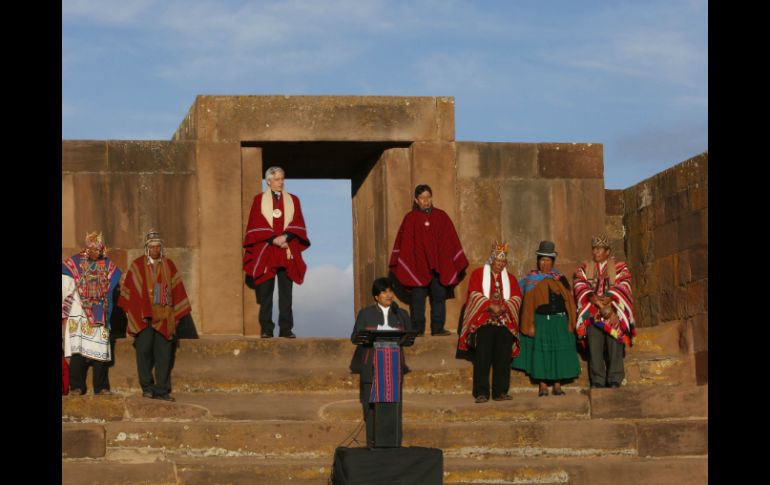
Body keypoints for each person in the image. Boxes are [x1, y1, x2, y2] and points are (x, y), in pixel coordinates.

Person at [118, 229, 192, 401]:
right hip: (143, 317)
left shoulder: (168, 266)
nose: (155, 250)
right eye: (152, 247)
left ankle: (162, 390)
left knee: (164, 354)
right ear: (147, 248)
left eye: (158, 246)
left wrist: (176, 316)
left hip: (164, 316)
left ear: (161, 248)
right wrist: (131, 313)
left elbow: (178, 290)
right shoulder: (137, 265)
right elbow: (130, 291)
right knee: (143, 351)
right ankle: (147, 387)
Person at [389, 184, 468, 336]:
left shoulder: (441, 216)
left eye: (428, 197)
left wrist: (448, 260)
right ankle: (417, 330)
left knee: (439, 298)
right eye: (422, 198)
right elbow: (405, 244)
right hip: (417, 267)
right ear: (416, 200)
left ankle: (437, 329)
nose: (426, 201)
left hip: (439, 267)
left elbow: (449, 239)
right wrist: (409, 263)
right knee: (417, 300)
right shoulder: (410, 218)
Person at [243, 166, 310, 338]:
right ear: (268, 181)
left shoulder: (293, 200)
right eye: (277, 179)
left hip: (286, 250)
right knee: (266, 293)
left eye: (282, 179)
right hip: (267, 250)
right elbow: (256, 222)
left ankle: (286, 329)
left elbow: (297, 222)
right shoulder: (259, 200)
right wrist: (273, 239)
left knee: (286, 294)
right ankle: (266, 329)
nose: (281, 182)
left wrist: (285, 237)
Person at [349, 277, 411, 447]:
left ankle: (394, 444)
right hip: (372, 367)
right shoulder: (365, 313)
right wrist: (370, 335)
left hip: (393, 368)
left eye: (390, 291)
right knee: (371, 409)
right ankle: (372, 444)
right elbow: (355, 337)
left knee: (394, 407)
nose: (388, 295)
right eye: (384, 292)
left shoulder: (401, 313)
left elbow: (409, 336)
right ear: (376, 296)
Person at [511, 241, 579, 396]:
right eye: (542, 260)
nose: (545, 263)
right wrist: (530, 323)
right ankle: (542, 385)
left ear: (553, 262)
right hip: (540, 321)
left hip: (559, 321)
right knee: (541, 353)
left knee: (558, 354)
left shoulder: (560, 278)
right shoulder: (531, 279)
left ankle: (557, 385)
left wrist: (570, 320)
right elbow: (526, 304)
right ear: (538, 261)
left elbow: (569, 300)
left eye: (548, 260)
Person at [456, 243, 522, 403]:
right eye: (498, 260)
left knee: (503, 357)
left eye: (503, 261)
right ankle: (481, 392)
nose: (500, 264)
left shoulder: (511, 279)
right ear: (491, 260)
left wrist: (504, 307)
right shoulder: (478, 274)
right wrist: (489, 305)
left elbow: (516, 298)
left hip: (504, 322)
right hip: (484, 322)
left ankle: (500, 392)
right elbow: (474, 294)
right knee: (482, 358)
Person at [62, 232, 122, 396]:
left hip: (100, 311)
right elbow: (65, 281)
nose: (97, 252)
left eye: (99, 249)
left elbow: (115, 278)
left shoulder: (107, 264)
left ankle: (101, 386)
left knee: (100, 349)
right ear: (87, 249)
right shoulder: (75, 262)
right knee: (78, 349)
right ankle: (77, 386)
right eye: (94, 249)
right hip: (79, 311)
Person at [573, 235, 636, 388]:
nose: (595, 252)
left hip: (613, 310)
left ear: (607, 251)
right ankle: (597, 379)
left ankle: (615, 377)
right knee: (594, 344)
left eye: (599, 249)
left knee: (615, 340)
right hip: (593, 311)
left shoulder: (620, 267)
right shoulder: (584, 267)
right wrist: (593, 299)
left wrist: (610, 298)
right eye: (594, 249)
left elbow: (625, 284)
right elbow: (579, 284)